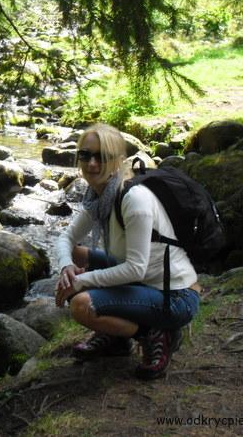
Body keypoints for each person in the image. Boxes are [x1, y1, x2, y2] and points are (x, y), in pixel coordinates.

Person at [54, 123, 201, 379]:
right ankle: (117, 338)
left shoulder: (134, 200)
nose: (91, 164)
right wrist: (67, 267)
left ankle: (155, 334)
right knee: (78, 254)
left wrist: (80, 282)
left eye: (102, 156)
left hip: (174, 295)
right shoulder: (99, 196)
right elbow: (66, 238)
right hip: (143, 281)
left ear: (118, 161)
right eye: (85, 155)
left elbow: (135, 268)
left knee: (80, 305)